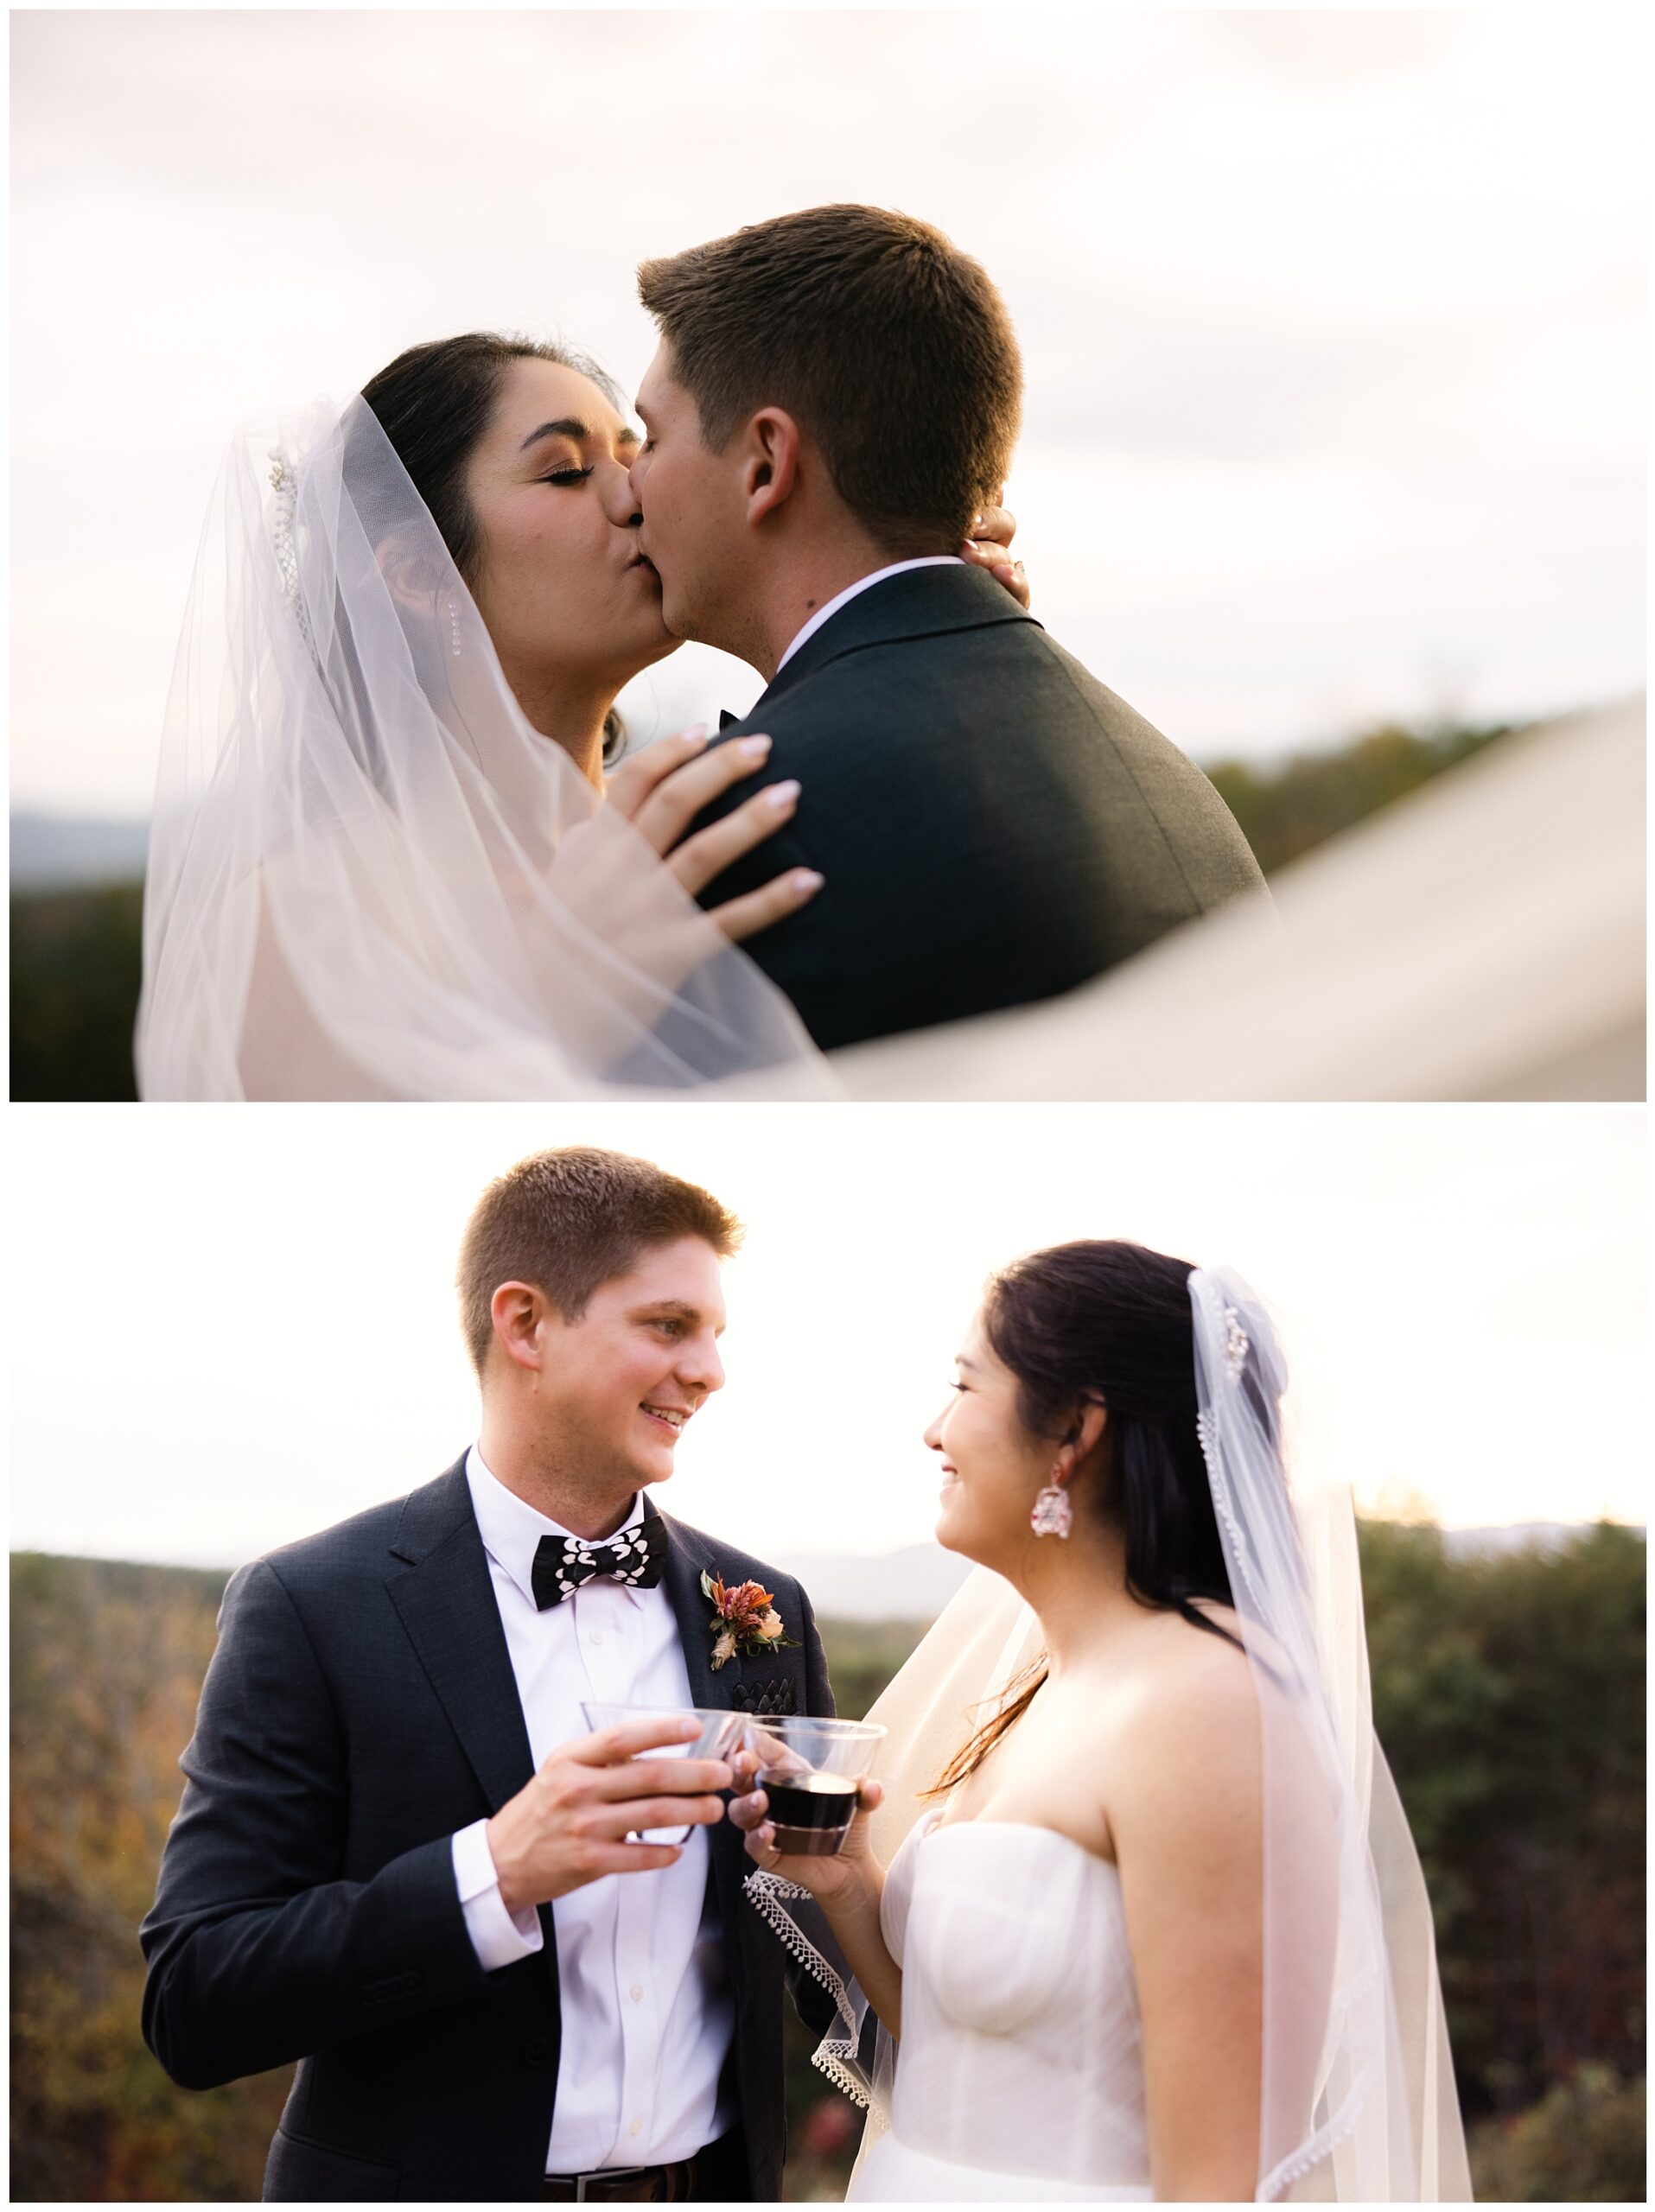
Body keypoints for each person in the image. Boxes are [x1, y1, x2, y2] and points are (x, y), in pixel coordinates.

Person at [140, 1147, 840, 2202]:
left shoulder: (763, 1609)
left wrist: (836, 1882)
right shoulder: (311, 1604)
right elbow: (196, 1999)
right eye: (667, 1325)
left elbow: (820, 1977)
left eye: (713, 1334)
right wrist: (495, 1873)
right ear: (524, 1324)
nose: (709, 1370)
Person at [731, 1242, 1471, 2202]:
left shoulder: (1211, 1704)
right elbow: (971, 2060)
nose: (931, 1429)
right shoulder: (1053, 1679)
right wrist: (846, 1884)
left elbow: (1221, 2179)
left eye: (963, 1384)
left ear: (1073, 1429)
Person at [135, 331, 1026, 1100]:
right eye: (565, 472)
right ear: (412, 573)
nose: (634, 496)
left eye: (635, 458)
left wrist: (921, 621)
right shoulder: (302, 922)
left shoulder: (693, 823)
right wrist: (551, 1013)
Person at [632, 205, 1269, 1052]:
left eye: (648, 435)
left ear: (763, 465)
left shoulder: (737, 831)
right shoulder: (1175, 784)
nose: (628, 486)